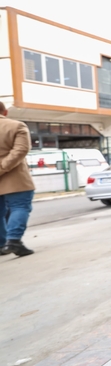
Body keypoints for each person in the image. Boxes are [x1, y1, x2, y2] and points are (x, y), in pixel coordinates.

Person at [0, 101, 36, 257]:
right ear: (5, 112)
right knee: (20, 206)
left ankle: (2, 244)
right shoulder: (16, 126)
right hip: (15, 177)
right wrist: (3, 167)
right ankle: (14, 241)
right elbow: (21, 150)